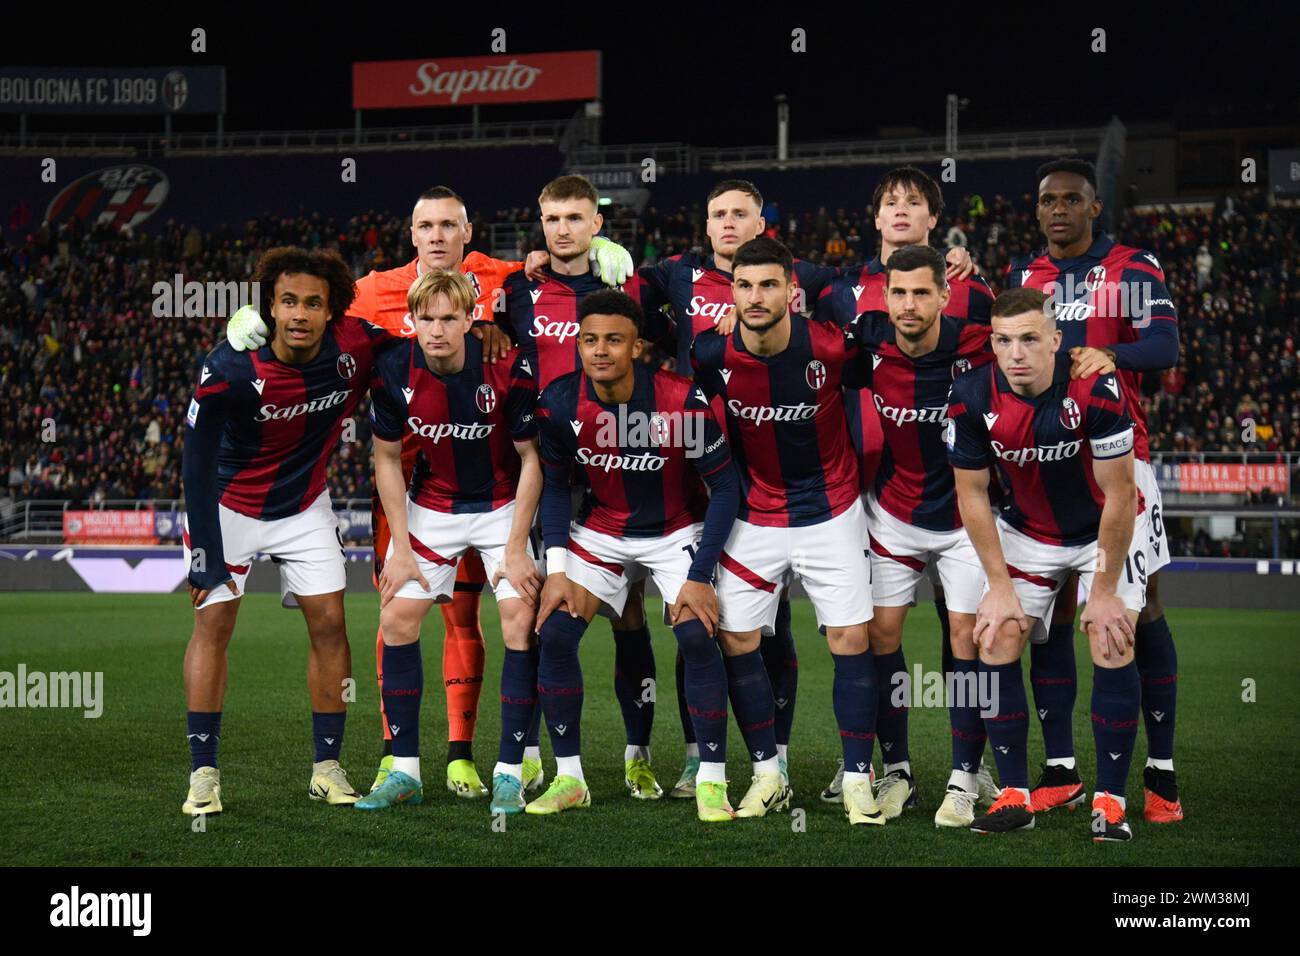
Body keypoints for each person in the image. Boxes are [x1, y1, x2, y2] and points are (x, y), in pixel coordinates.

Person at [180, 247, 390, 814]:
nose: (300, 313)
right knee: (213, 628)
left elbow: (412, 341)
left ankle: (327, 766)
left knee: (330, 625)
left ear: (333, 312)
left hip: (303, 507)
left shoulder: (356, 347)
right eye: (288, 301)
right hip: (228, 510)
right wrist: (204, 551)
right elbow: (195, 466)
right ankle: (204, 774)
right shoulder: (228, 367)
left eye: (313, 303)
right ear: (269, 306)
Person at [1006, 159, 1182, 823]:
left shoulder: (1133, 267)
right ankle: (1061, 770)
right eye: (1048, 199)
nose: (1058, 210)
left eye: (1071, 200)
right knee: (1047, 614)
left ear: (1093, 207)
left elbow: (1164, 345)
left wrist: (1114, 355)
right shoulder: (1029, 277)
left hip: (1118, 460)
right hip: (1046, 464)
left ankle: (1160, 771)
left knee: (1136, 611)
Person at [527, 289, 741, 823]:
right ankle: (570, 777)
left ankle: (712, 779)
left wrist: (700, 574)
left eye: (614, 340)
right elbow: (555, 490)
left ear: (638, 347)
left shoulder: (681, 400)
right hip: (602, 529)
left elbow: (727, 489)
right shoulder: (557, 403)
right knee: (554, 633)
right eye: (590, 339)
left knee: (695, 631)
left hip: (676, 529)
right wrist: (555, 571)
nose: (600, 351)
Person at [692, 237, 880, 826]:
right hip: (756, 516)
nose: (754, 297)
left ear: (791, 291)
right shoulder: (710, 354)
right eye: (744, 285)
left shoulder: (832, 346)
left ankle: (857, 781)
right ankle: (769, 774)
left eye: (768, 284)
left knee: (851, 642)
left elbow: (889, 345)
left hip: (832, 510)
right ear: (731, 291)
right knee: (738, 642)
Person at [947, 287, 1144, 840]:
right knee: (995, 633)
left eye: (1030, 339)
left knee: (1110, 635)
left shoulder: (1096, 389)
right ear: (991, 343)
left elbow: (1121, 494)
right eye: (1005, 341)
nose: (1016, 353)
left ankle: (1110, 801)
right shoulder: (967, 396)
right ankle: (1014, 797)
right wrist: (998, 585)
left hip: (1102, 530)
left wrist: (1102, 590)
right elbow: (973, 495)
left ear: (1056, 341)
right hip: (1031, 531)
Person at [355, 270, 544, 814]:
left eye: (449, 318)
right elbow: (387, 460)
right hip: (431, 507)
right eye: (427, 319)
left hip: (501, 505)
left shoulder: (507, 369)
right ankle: (406, 771)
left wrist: (513, 547)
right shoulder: (394, 369)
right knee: (396, 619)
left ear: (469, 320)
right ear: (412, 321)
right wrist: (404, 549)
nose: (437, 330)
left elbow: (533, 461)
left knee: (517, 620)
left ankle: (509, 771)